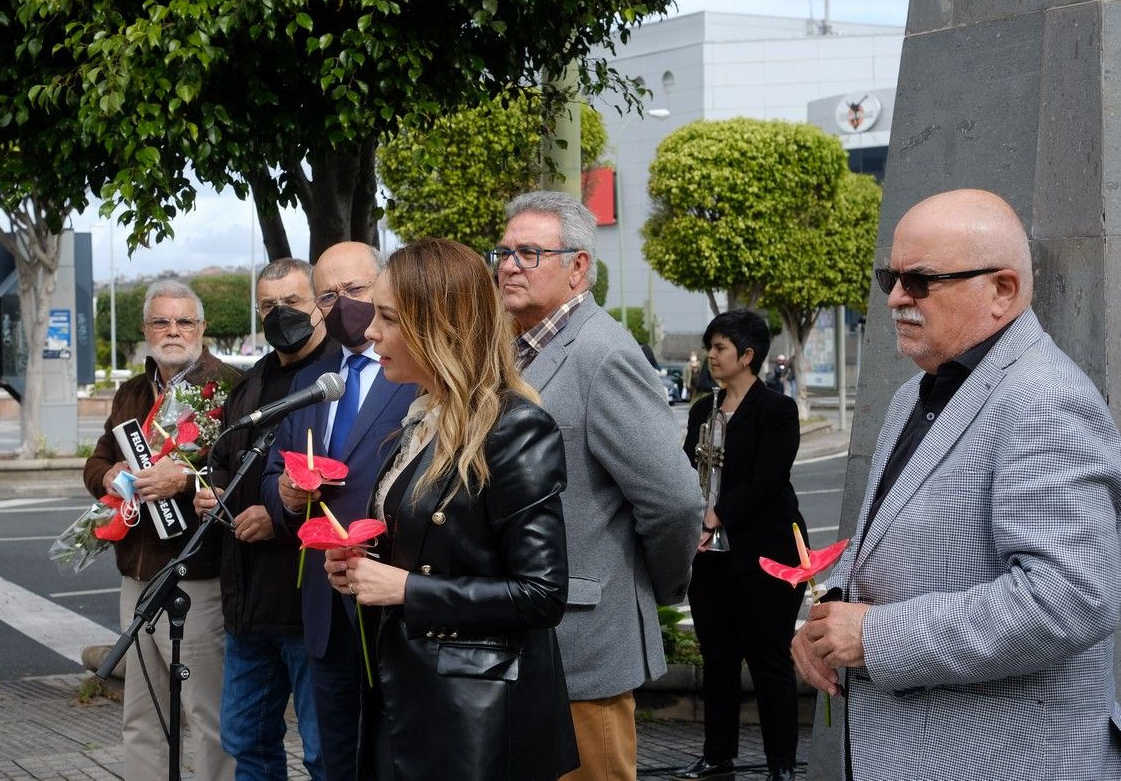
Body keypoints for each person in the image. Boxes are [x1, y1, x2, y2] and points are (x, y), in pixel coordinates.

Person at [791, 189, 1121, 780]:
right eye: (889, 276)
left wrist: (875, 635)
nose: (895, 298)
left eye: (920, 281)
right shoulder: (916, 393)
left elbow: (1070, 598)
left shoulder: (1044, 399)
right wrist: (828, 617)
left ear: (1003, 291)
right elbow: (888, 547)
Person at [322, 238, 578, 780]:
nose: (369, 333)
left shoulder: (516, 429)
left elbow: (541, 594)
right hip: (410, 697)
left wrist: (405, 588)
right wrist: (360, 564)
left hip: (475, 720)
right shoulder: (419, 422)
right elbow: (429, 548)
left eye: (386, 318)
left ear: (437, 326)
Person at [493, 190, 702, 781]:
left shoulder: (604, 353)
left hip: (583, 644)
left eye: (529, 253)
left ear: (578, 267)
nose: (508, 265)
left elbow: (675, 500)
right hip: (523, 637)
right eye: (504, 251)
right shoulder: (515, 349)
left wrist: (654, 585)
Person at [260, 242, 418, 781]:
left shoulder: (420, 375)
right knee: (333, 758)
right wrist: (282, 496)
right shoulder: (312, 381)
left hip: (396, 597)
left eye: (354, 290)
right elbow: (272, 474)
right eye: (327, 294)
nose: (341, 303)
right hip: (325, 607)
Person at [83, 280, 240, 781]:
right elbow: (99, 460)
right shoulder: (132, 390)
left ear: (201, 328)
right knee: (142, 715)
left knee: (207, 714)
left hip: (199, 577)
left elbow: (246, 475)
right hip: (137, 575)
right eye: (161, 322)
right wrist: (106, 476)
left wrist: (188, 478)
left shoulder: (231, 388)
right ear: (146, 328)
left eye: (183, 322)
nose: (172, 331)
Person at [195, 259, 333, 781]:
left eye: (293, 302)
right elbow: (222, 463)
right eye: (269, 306)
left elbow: (351, 481)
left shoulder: (337, 380)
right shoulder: (248, 385)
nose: (282, 315)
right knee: (245, 743)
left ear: (319, 303)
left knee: (323, 752)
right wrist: (212, 493)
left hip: (310, 605)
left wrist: (277, 517)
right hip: (246, 605)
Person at [673, 310, 806, 781]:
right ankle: (717, 755)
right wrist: (694, 519)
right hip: (710, 557)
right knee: (719, 659)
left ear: (747, 356)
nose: (711, 355)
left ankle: (782, 766)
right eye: (710, 347)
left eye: (720, 348)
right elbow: (689, 473)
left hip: (765, 554)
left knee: (770, 659)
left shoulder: (777, 410)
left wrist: (714, 517)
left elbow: (767, 480)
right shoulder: (700, 411)